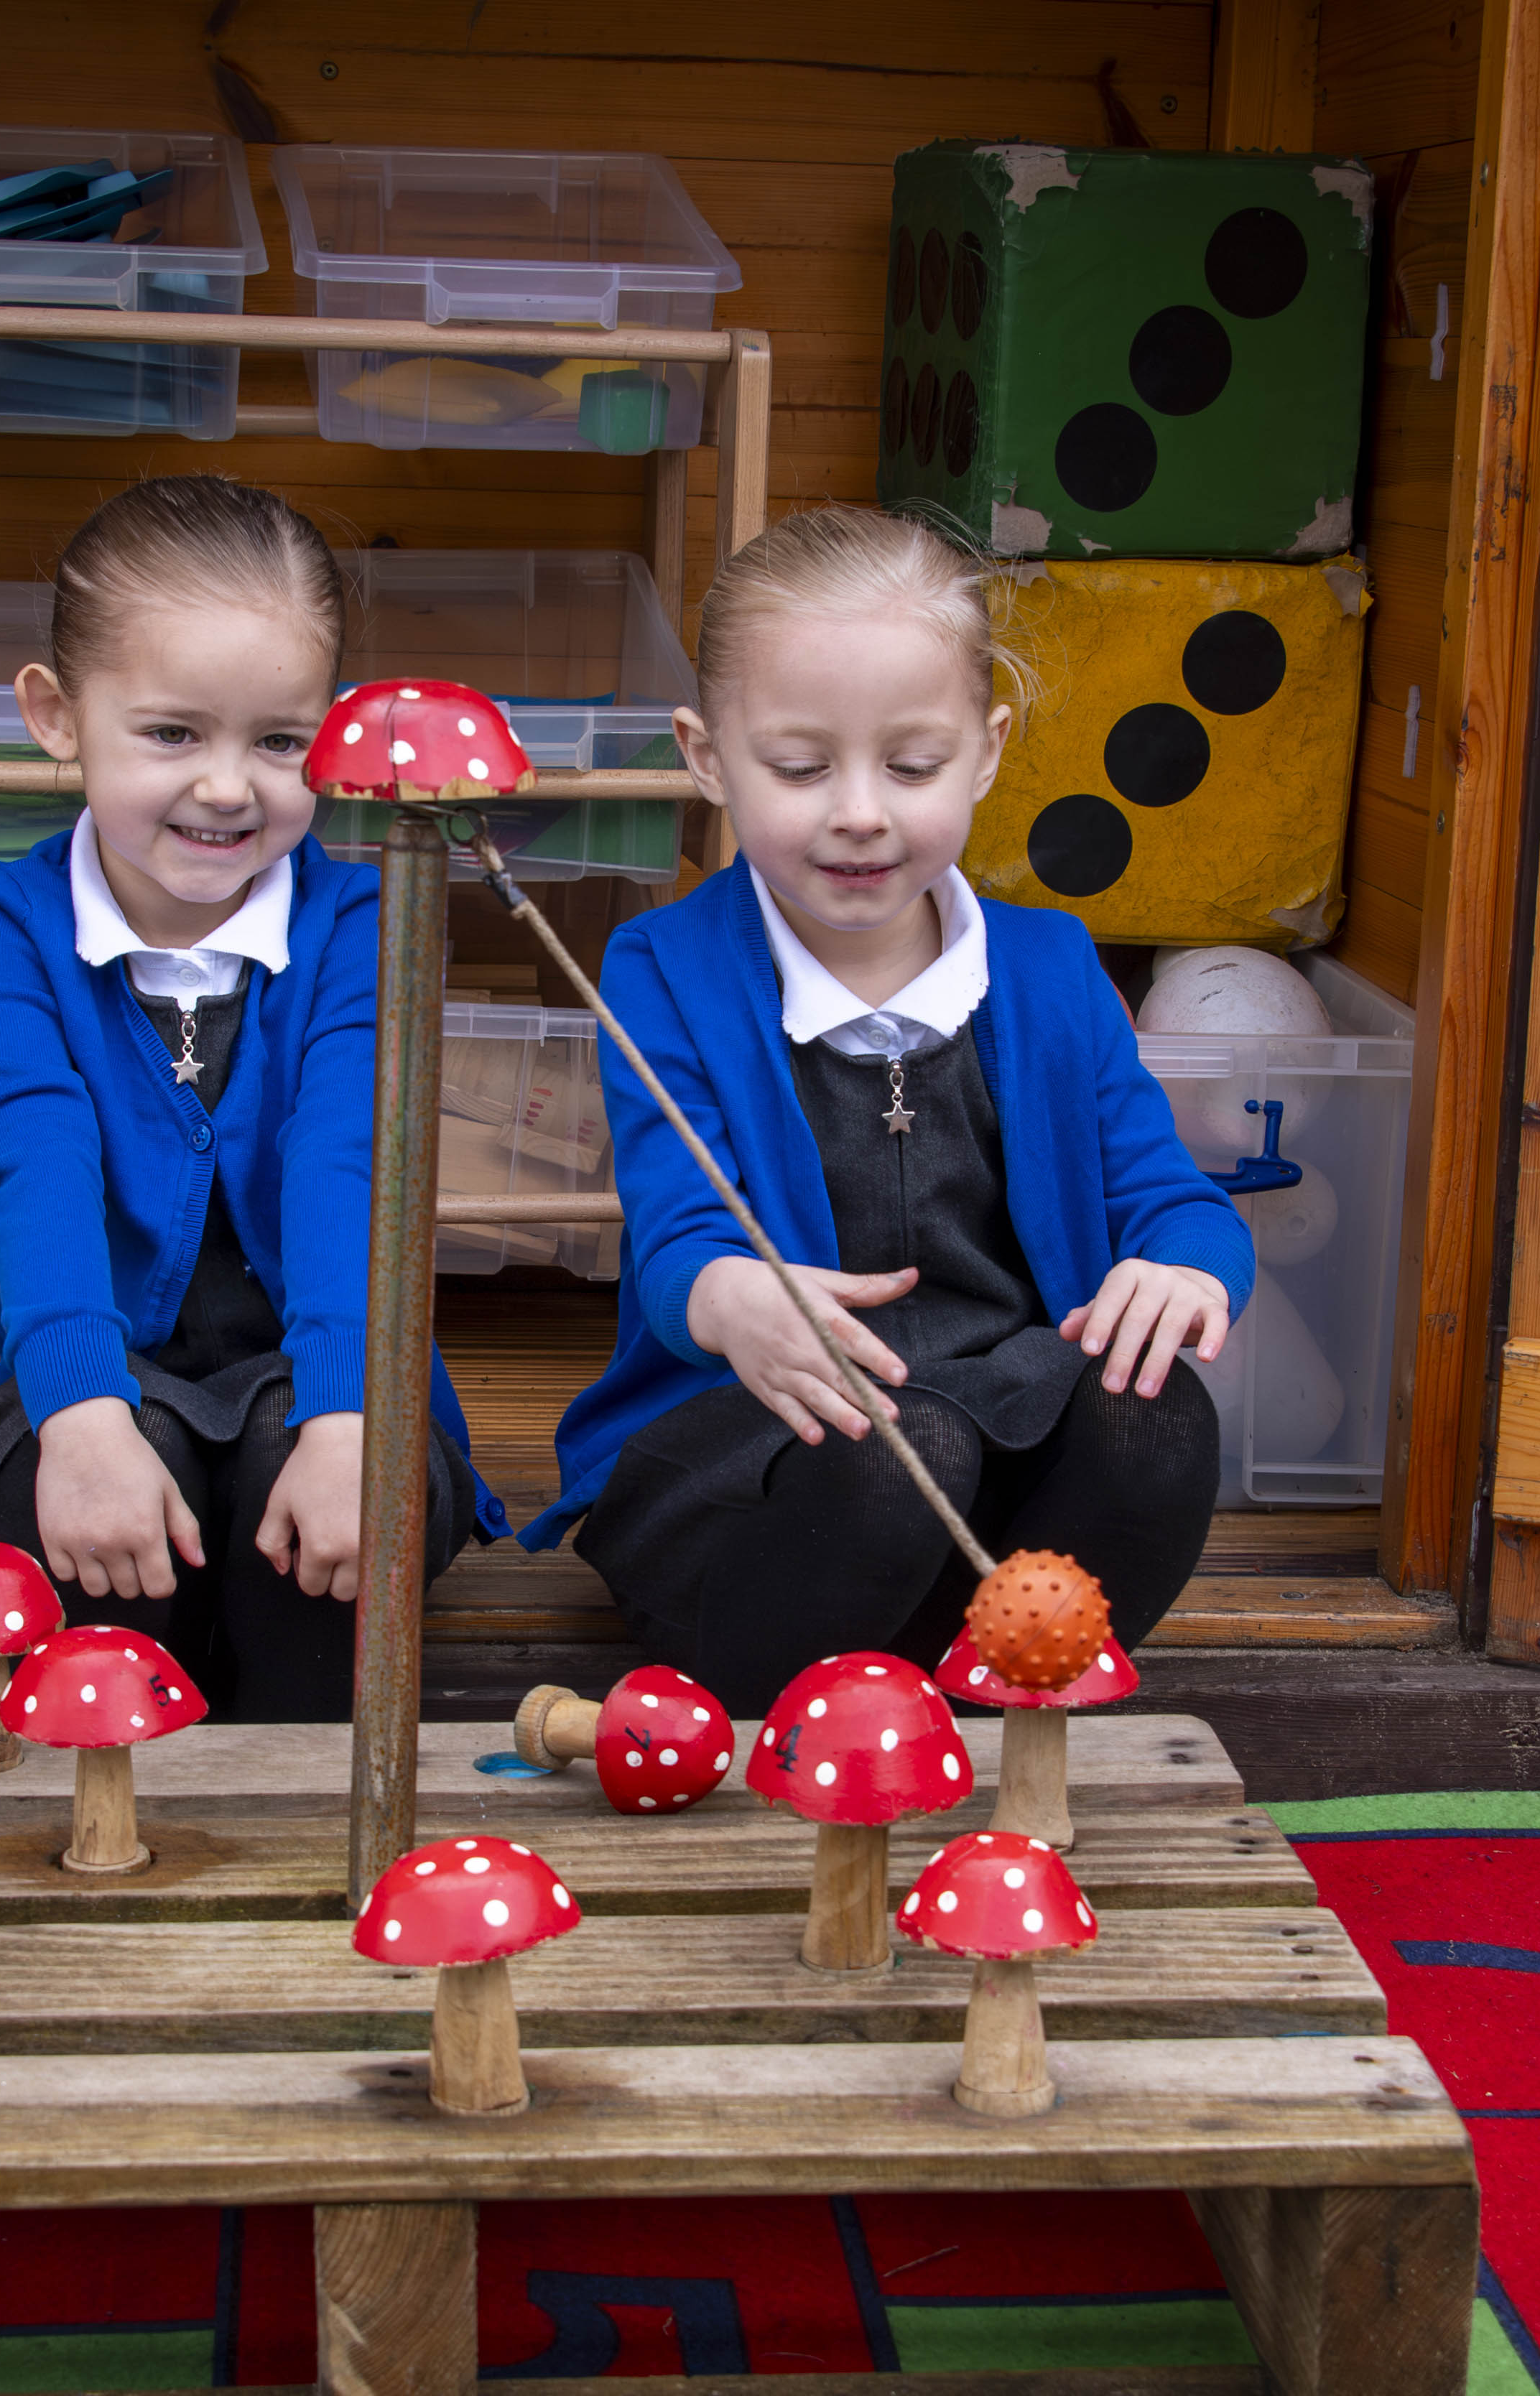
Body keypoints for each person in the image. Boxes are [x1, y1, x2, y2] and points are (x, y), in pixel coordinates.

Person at [526, 507, 1249, 1714]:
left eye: (910, 766)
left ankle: (985, 1700)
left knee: (1157, 1418)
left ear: (986, 750)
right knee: (903, 1453)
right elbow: (676, 1218)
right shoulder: (668, 967)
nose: (859, 811)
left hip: (995, 1441)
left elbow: (1172, 1197)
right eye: (801, 768)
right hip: (760, 1449)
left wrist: (1188, 1272)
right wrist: (731, 1296)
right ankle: (773, 1705)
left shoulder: (1054, 967)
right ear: (708, 759)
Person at [0, 475, 504, 1720]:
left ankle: (300, 1821)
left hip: (323, 1365)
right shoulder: (4, 929)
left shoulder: (366, 922)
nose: (231, 788)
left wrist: (353, 1416)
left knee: (308, 1506)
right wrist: (81, 1416)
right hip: (99, 1363)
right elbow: (35, 1166)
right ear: (57, 715)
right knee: (69, 1510)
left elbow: (353, 1167)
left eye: (280, 741)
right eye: (174, 734)